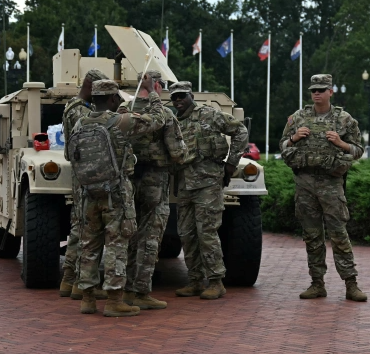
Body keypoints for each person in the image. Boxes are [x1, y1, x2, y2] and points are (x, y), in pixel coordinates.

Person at [70, 78, 166, 317]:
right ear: (113, 98)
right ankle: (114, 301)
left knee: (88, 245)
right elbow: (158, 119)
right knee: (117, 244)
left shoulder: (80, 122)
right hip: (116, 194)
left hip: (88, 193)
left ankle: (87, 299)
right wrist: (152, 93)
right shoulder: (120, 121)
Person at [279, 74, 367, 302]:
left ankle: (351, 284)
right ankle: (317, 283)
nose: (316, 93)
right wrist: (294, 138)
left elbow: (358, 150)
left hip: (331, 183)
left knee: (338, 234)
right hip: (305, 183)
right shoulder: (298, 118)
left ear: (330, 92)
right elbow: (282, 146)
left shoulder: (344, 119)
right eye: (313, 90)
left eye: (321, 90)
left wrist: (340, 143)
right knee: (312, 236)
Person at [170, 81, 248, 300]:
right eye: (174, 97)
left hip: (208, 183)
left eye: (182, 96)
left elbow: (240, 131)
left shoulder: (209, 115)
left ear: (191, 96)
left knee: (207, 233)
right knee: (187, 234)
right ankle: (195, 280)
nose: (178, 100)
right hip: (185, 185)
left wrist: (231, 163)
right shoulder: (174, 122)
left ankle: (215, 281)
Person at [117, 71, 187, 310]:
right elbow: (177, 152)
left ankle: (125, 289)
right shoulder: (164, 114)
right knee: (149, 238)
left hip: (127, 181)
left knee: (129, 235)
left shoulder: (123, 111)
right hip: (155, 181)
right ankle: (141, 291)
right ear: (156, 85)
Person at [59, 69, 109, 301]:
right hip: (87, 176)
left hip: (81, 175)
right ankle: (80, 282)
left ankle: (69, 280)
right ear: (92, 86)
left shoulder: (73, 106)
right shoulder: (81, 112)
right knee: (85, 230)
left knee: (79, 228)